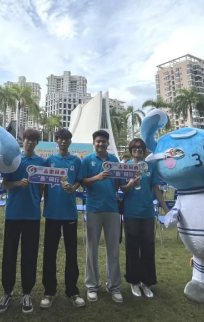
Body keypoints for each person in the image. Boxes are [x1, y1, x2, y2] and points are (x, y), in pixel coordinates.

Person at [0, 129, 45, 314]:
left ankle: (27, 293)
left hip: (32, 216)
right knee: (9, 254)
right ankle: (7, 292)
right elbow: (4, 184)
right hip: (13, 215)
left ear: (37, 143)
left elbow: (42, 187)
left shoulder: (42, 162)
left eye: (33, 140)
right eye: (27, 139)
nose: (30, 142)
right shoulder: (14, 160)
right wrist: (17, 183)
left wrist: (36, 199)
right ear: (22, 141)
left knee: (29, 256)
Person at [40, 129, 86, 309]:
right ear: (56, 141)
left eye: (66, 139)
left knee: (71, 253)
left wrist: (74, 187)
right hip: (52, 213)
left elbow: (79, 181)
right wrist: (44, 205)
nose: (63, 142)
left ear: (70, 141)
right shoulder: (49, 161)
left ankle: (72, 291)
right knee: (49, 253)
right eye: (60, 139)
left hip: (69, 214)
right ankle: (49, 291)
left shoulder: (76, 161)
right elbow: (43, 184)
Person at [119, 138, 168, 299]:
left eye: (140, 148)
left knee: (148, 247)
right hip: (131, 212)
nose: (138, 150)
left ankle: (147, 283)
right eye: (135, 147)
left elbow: (155, 188)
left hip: (147, 213)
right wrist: (130, 185)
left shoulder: (150, 167)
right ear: (131, 149)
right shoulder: (125, 167)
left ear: (144, 150)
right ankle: (134, 281)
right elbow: (122, 188)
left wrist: (165, 208)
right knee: (132, 247)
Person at [81, 130, 123, 304]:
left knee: (113, 249)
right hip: (93, 208)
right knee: (92, 248)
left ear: (107, 143)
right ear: (94, 142)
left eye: (104, 141)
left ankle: (114, 286)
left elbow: (118, 182)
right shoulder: (86, 160)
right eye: (98, 141)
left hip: (112, 208)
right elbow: (82, 182)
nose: (101, 144)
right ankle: (92, 286)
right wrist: (97, 178)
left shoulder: (114, 160)